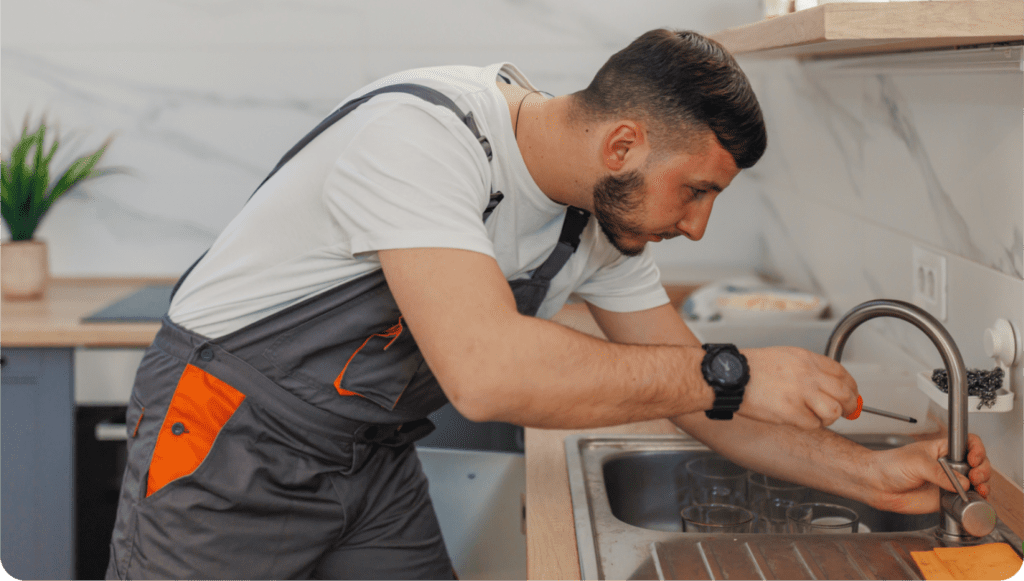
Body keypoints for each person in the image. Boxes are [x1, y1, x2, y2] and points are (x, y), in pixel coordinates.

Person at [106, 29, 991, 580]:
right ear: (623, 142)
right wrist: (733, 369)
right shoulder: (421, 139)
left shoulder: (599, 220)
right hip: (229, 443)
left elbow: (698, 400)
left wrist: (865, 471)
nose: (696, 226)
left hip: (366, 459)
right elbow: (487, 374)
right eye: (694, 191)